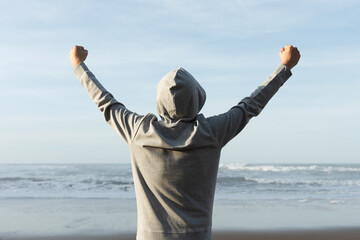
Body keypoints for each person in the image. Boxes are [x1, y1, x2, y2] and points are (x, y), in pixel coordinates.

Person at [69, 45, 300, 240]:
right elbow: (250, 105)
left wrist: (79, 65)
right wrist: (284, 67)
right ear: (198, 98)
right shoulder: (211, 132)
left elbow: (105, 102)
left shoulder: (138, 131)